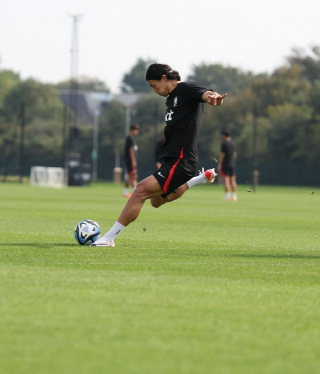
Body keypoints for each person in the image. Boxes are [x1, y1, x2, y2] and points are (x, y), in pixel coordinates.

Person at [93, 63, 227, 247]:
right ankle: (199, 179)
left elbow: (206, 94)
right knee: (156, 201)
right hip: (170, 159)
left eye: (153, 85)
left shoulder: (186, 88)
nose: (154, 90)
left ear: (164, 78)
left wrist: (214, 97)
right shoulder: (171, 98)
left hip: (181, 160)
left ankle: (108, 238)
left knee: (140, 191)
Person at [218, 129, 238, 201]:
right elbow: (235, 154)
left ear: (223, 135)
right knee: (233, 181)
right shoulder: (233, 143)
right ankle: (234, 196)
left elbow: (222, 155)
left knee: (226, 180)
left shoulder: (224, 143)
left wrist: (220, 164)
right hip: (232, 164)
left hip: (225, 164)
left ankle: (227, 196)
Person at [123, 124, 140, 197]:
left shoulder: (131, 139)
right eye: (136, 130)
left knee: (133, 176)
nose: (137, 132)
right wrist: (133, 161)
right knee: (132, 176)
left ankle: (134, 192)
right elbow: (131, 150)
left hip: (130, 161)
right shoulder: (130, 139)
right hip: (130, 161)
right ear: (132, 130)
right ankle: (126, 192)